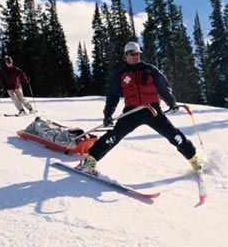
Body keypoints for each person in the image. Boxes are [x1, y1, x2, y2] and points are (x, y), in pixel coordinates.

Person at [79, 41, 202, 175]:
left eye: (138, 53)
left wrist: (171, 102)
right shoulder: (121, 75)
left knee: (173, 134)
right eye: (132, 54)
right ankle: (90, 162)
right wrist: (108, 115)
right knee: (114, 135)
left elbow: (163, 87)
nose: (136, 56)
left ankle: (194, 160)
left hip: (152, 109)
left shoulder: (150, 69)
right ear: (125, 56)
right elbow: (112, 96)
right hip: (132, 111)